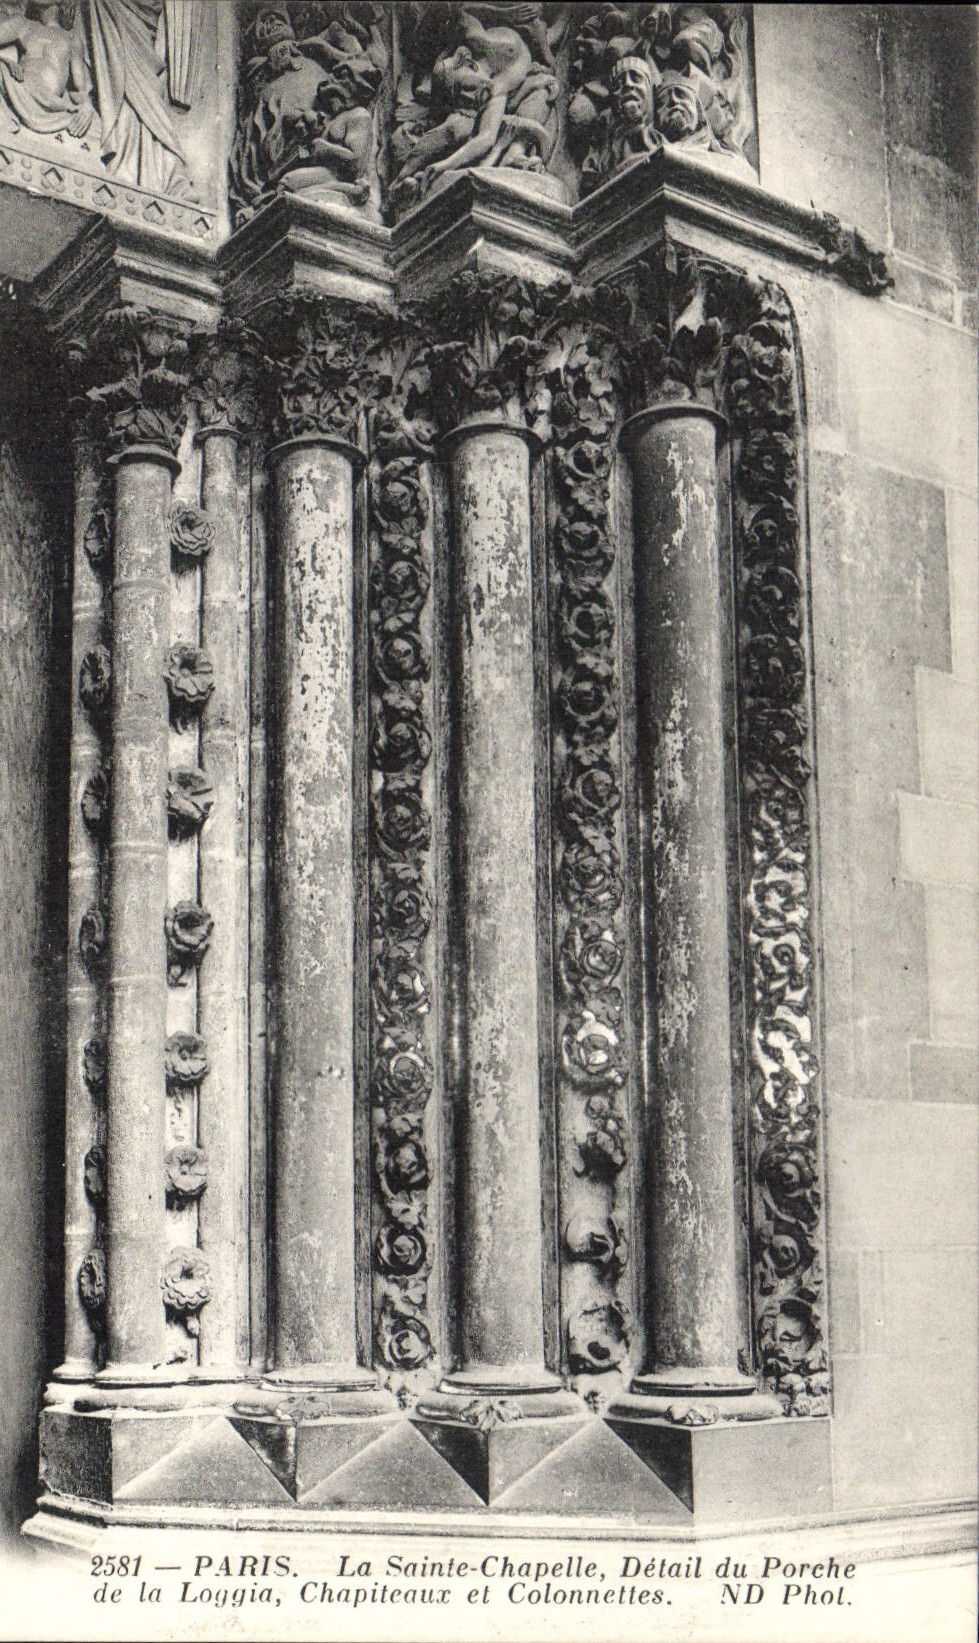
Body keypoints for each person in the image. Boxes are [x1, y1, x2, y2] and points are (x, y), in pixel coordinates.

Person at [0, 0, 93, 137]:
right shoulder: (23, 25)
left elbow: (79, 88)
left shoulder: (71, 38)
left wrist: (87, 105)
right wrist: (7, 61)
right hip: (18, 87)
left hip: (49, 101)